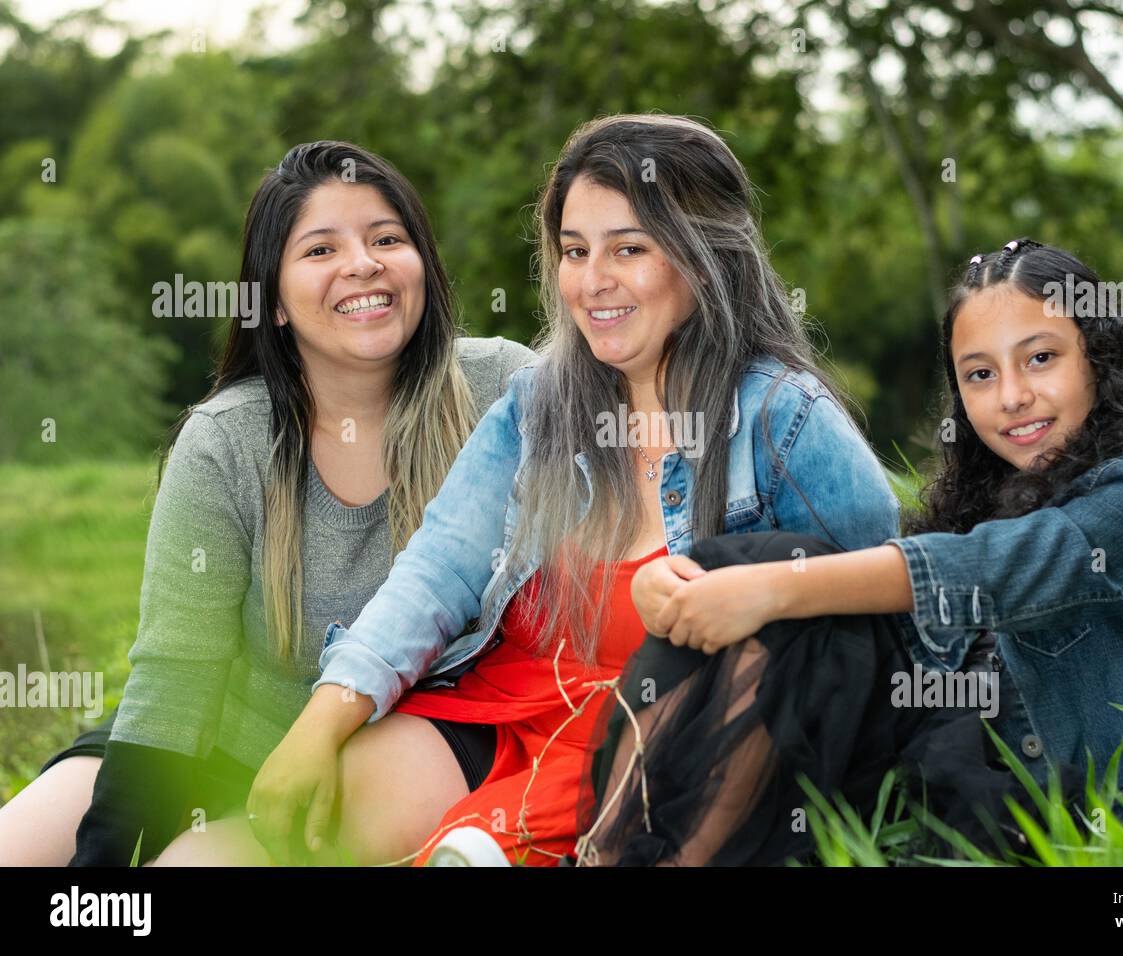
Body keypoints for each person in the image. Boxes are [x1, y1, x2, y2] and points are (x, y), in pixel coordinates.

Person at [235, 113, 900, 868]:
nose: (593, 282)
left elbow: (876, 603)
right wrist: (321, 722)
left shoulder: (783, 418)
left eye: (630, 249)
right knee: (321, 822)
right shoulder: (536, 407)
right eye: (575, 251)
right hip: (513, 705)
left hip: (659, 734)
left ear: (706, 257)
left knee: (479, 850)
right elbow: (437, 571)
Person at [576, 238, 1123, 866]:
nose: (1011, 396)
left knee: (780, 576)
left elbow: (990, 568)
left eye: (1040, 358)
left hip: (1070, 818)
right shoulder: (964, 514)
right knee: (771, 590)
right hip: (934, 808)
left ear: (1097, 358)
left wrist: (767, 587)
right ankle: (613, 856)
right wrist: (677, 581)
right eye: (980, 374)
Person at [0, 140, 536, 866]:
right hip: (219, 739)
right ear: (274, 302)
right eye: (320, 249)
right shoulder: (226, 438)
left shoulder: (504, 387)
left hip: (384, 766)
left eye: (387, 238)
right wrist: (102, 869)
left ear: (424, 267)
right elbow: (175, 672)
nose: (363, 263)